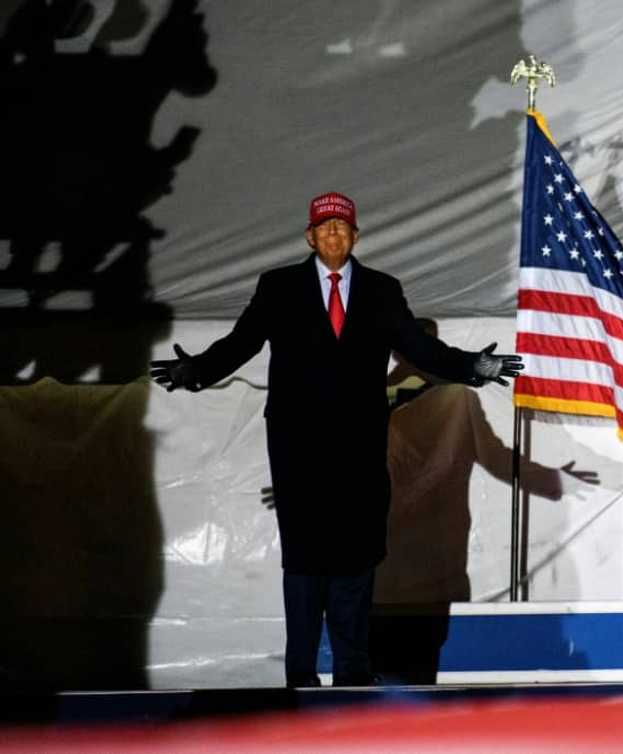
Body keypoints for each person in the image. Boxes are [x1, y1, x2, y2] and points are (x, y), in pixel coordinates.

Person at [150, 191, 522, 687]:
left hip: (358, 454)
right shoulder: (278, 287)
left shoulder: (382, 290)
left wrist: (472, 365)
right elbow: (240, 343)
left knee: (354, 563)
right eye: (324, 227)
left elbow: (419, 348)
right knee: (304, 567)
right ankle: (300, 679)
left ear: (355, 236)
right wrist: (195, 371)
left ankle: (352, 676)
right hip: (297, 453)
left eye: (342, 227)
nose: (332, 234)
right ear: (310, 235)